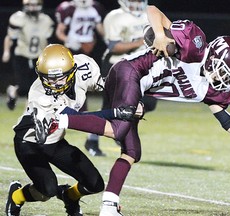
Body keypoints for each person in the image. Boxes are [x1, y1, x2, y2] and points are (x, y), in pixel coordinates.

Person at [40, 6, 230, 216]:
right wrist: (159, 35)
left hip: (136, 88)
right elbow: (153, 10)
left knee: (132, 151)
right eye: (222, 71)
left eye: (228, 77)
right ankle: (59, 119)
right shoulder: (195, 45)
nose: (223, 80)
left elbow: (225, 119)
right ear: (214, 58)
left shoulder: (210, 89)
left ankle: (109, 204)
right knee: (122, 123)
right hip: (129, 71)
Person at [5, 44, 136, 216]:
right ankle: (16, 196)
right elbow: (77, 119)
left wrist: (128, 89)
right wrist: (115, 112)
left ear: (72, 71)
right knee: (47, 190)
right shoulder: (39, 95)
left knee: (94, 183)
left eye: (58, 78)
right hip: (30, 143)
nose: (52, 83)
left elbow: (104, 85)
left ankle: (69, 196)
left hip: (55, 141)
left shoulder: (84, 66)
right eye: (47, 78)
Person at [85, 0, 158, 157]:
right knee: (109, 109)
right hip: (116, 65)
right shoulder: (115, 16)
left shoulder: (148, 15)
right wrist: (142, 41)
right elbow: (114, 46)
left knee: (150, 102)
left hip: (140, 66)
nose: (137, 3)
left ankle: (121, 126)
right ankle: (92, 140)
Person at [55, 0, 107, 156]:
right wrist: (67, 40)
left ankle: (76, 115)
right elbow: (60, 31)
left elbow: (101, 30)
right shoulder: (69, 8)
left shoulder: (95, 8)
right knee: (69, 82)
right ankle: (62, 112)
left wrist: (109, 41)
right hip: (73, 47)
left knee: (85, 81)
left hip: (89, 48)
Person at [1, 0, 54, 110]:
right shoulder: (18, 18)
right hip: (22, 54)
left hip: (39, 57)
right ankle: (13, 91)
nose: (32, 8)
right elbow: (10, 37)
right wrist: (6, 51)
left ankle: (28, 113)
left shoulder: (46, 20)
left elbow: (49, 41)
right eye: (30, 5)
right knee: (24, 87)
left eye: (35, 5)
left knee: (35, 87)